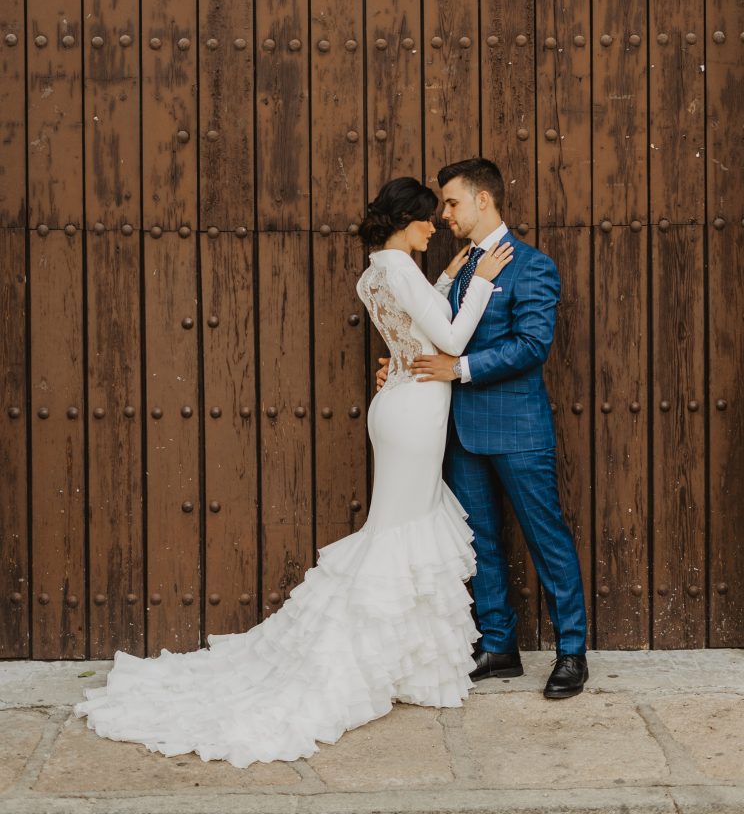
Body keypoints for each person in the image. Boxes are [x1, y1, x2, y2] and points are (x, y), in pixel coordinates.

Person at [73, 175, 514, 768]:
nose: (435, 226)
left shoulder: (377, 270)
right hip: (416, 412)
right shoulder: (401, 270)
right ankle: (358, 663)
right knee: (397, 536)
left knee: (399, 526)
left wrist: (441, 278)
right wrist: (479, 285)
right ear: (407, 220)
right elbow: (452, 336)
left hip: (399, 404)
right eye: (427, 218)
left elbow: (413, 322)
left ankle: (404, 663)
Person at [378, 159, 588, 699]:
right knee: (481, 542)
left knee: (547, 539)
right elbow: (434, 335)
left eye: (451, 202)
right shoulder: (458, 268)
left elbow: (531, 345)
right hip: (459, 431)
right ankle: (499, 648)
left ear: (483, 202)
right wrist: (401, 363)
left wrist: (460, 369)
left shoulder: (532, 266)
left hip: (518, 430)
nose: (444, 213)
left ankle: (572, 652)